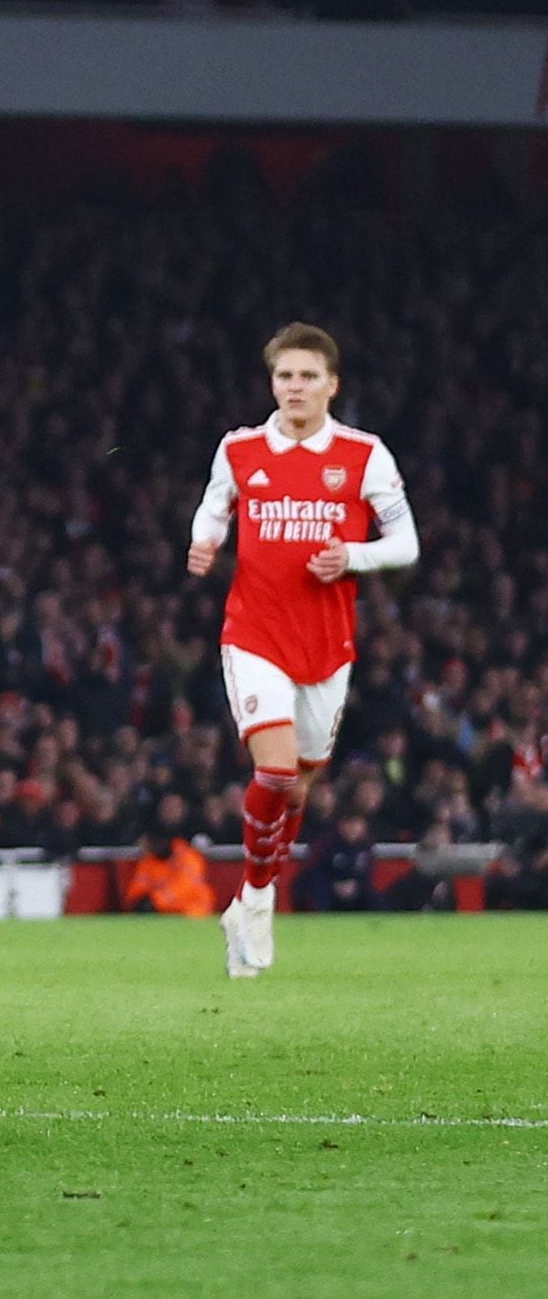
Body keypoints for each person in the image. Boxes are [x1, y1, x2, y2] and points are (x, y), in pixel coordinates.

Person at [188, 323, 418, 977]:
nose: (295, 387)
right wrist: (203, 540)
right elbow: (212, 508)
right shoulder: (238, 449)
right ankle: (257, 898)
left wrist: (355, 555)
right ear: (272, 383)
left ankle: (248, 899)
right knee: (276, 773)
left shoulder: (363, 454)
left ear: (330, 385)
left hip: (326, 646)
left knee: (295, 792)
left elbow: (405, 544)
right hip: (254, 635)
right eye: (285, 376)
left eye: (307, 376)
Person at [123, 823, 215, 918]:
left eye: (155, 842)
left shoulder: (188, 857)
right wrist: (138, 901)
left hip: (194, 912)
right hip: (165, 914)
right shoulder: (148, 861)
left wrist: (155, 901)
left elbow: (185, 886)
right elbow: (138, 887)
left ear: (167, 841)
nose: (152, 846)